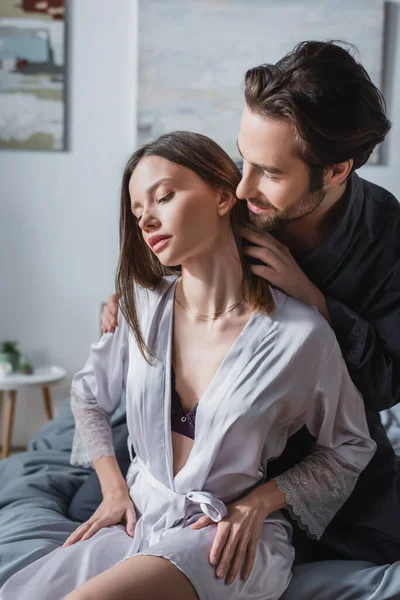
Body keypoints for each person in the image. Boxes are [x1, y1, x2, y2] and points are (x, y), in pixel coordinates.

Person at [0, 131, 375, 600]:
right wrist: (114, 490)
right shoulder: (140, 307)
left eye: (164, 197)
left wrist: (261, 501)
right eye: (138, 212)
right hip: (140, 523)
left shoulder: (299, 336)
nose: (147, 219)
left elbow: (349, 447)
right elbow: (88, 395)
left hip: (223, 541)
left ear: (223, 195)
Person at [101, 41, 400, 578]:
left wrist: (317, 303)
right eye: (244, 159)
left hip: (324, 466)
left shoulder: (388, 236)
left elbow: (385, 385)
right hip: (199, 458)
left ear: (336, 171)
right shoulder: (238, 194)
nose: (241, 187)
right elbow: (178, 249)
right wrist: (136, 296)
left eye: (270, 173)